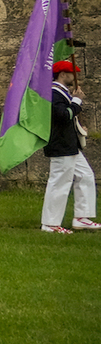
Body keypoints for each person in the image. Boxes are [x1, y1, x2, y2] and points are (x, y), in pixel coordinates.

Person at [41, 60, 101, 233]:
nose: (76, 76)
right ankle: (50, 224)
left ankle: (82, 217)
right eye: (72, 73)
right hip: (60, 145)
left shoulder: (61, 92)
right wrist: (76, 102)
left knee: (86, 176)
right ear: (62, 74)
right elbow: (62, 116)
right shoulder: (54, 93)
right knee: (59, 182)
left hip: (70, 144)